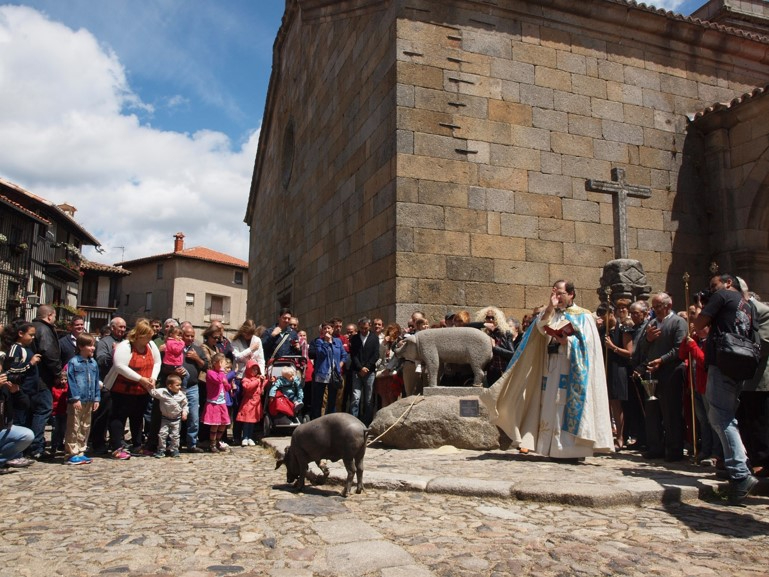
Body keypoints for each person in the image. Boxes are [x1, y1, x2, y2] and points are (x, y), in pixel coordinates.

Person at [480, 280, 613, 459]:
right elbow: (540, 329)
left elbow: (588, 346)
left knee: (564, 406)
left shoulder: (584, 316)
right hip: (550, 366)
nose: (556, 297)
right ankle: (549, 448)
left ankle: (570, 451)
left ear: (571, 294)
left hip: (571, 367)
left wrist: (568, 342)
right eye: (554, 293)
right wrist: (550, 307)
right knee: (549, 405)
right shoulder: (550, 313)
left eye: (560, 293)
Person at [692, 273, 759, 504]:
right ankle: (742, 465)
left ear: (728, 283)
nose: (712, 290)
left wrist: (703, 306)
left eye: (714, 285)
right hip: (740, 363)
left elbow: (698, 324)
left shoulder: (722, 296)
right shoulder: (746, 304)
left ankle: (740, 475)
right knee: (728, 417)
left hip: (722, 363)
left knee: (720, 417)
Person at [631, 292, 688, 461]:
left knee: (670, 412)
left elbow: (680, 348)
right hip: (652, 373)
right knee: (652, 411)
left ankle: (674, 449)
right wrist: (648, 339)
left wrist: (661, 360)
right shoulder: (652, 323)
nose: (655, 310)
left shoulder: (678, 322)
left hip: (671, 371)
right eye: (653, 307)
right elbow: (641, 348)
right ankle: (655, 447)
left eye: (658, 307)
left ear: (668, 306)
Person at [103, 319, 161, 460]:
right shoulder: (125, 346)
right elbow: (119, 366)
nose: (149, 339)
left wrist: (152, 377)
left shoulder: (151, 345)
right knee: (118, 417)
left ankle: (137, 445)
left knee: (137, 417)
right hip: (122, 390)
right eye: (147, 336)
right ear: (139, 335)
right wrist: (141, 378)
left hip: (142, 389)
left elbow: (157, 362)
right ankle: (117, 447)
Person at [28, 304, 61, 459]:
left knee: (34, 411)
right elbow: (49, 351)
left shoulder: (33, 327)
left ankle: (30, 445)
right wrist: (58, 372)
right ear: (49, 315)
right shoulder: (44, 330)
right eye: (54, 316)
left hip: (32, 378)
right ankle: (37, 447)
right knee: (43, 410)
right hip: (42, 378)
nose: (55, 319)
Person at [92, 317, 127, 454]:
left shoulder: (126, 343)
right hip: (107, 384)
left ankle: (116, 442)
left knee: (118, 416)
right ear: (112, 328)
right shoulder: (104, 342)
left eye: (124, 327)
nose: (123, 330)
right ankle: (98, 443)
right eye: (120, 327)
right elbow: (100, 360)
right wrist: (114, 353)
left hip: (122, 384)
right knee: (103, 416)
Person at [64, 333, 100, 465]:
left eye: (93, 345)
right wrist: (75, 398)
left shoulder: (93, 363)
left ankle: (81, 450)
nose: (93, 348)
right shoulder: (74, 362)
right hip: (78, 399)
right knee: (74, 425)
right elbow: (71, 382)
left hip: (90, 399)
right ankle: (71, 452)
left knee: (85, 425)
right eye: (90, 345)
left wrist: (97, 398)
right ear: (81, 346)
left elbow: (96, 381)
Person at [309, 321, 348, 419]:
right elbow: (320, 354)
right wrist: (326, 342)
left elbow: (344, 355)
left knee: (332, 399)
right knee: (319, 400)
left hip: (334, 374)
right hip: (322, 374)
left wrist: (340, 364)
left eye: (329, 328)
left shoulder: (338, 341)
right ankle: (316, 420)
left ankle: (331, 420)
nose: (327, 330)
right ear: (322, 330)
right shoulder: (319, 341)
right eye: (325, 328)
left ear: (332, 329)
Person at [349, 317, 380, 426]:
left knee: (368, 399)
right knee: (355, 398)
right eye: (361, 328)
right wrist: (360, 368)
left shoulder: (374, 338)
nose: (363, 330)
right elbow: (353, 355)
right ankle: (353, 422)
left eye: (365, 328)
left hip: (370, 372)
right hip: (357, 371)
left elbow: (376, 355)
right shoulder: (355, 338)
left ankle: (367, 422)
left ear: (369, 326)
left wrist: (366, 367)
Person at [0, 372, 35, 470]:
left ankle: (2, 460)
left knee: (27, 435)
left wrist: (16, 392)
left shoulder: (5, 387)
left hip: (2, 428)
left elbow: (25, 406)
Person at [149, 374, 188, 458]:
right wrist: (151, 385)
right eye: (177, 385)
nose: (179, 387)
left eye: (180, 385)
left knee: (175, 435)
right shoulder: (163, 392)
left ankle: (174, 449)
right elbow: (153, 392)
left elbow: (185, 405)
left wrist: (185, 413)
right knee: (162, 434)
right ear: (170, 386)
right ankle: (161, 449)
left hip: (176, 419)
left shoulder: (181, 395)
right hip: (165, 418)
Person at [475, 306, 515, 386]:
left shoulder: (505, 333)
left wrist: (494, 348)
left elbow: (512, 354)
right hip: (490, 371)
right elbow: (469, 325)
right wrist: (483, 324)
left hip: (503, 371)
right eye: (488, 318)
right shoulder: (484, 334)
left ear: (497, 319)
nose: (490, 320)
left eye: (493, 318)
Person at [203, 353, 232, 453]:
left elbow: (227, 387)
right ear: (217, 363)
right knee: (215, 424)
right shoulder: (211, 373)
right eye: (223, 363)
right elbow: (217, 380)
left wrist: (227, 384)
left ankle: (218, 441)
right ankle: (212, 444)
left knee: (223, 423)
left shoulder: (221, 374)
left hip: (222, 402)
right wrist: (221, 372)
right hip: (214, 402)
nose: (224, 365)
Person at [236, 360, 267, 445]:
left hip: (256, 404)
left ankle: (250, 437)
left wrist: (268, 380)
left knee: (252, 422)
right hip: (248, 403)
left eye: (256, 370)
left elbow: (262, 387)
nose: (255, 371)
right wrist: (257, 381)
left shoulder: (258, 379)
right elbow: (248, 387)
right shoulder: (246, 379)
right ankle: (245, 437)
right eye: (253, 369)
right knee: (247, 421)